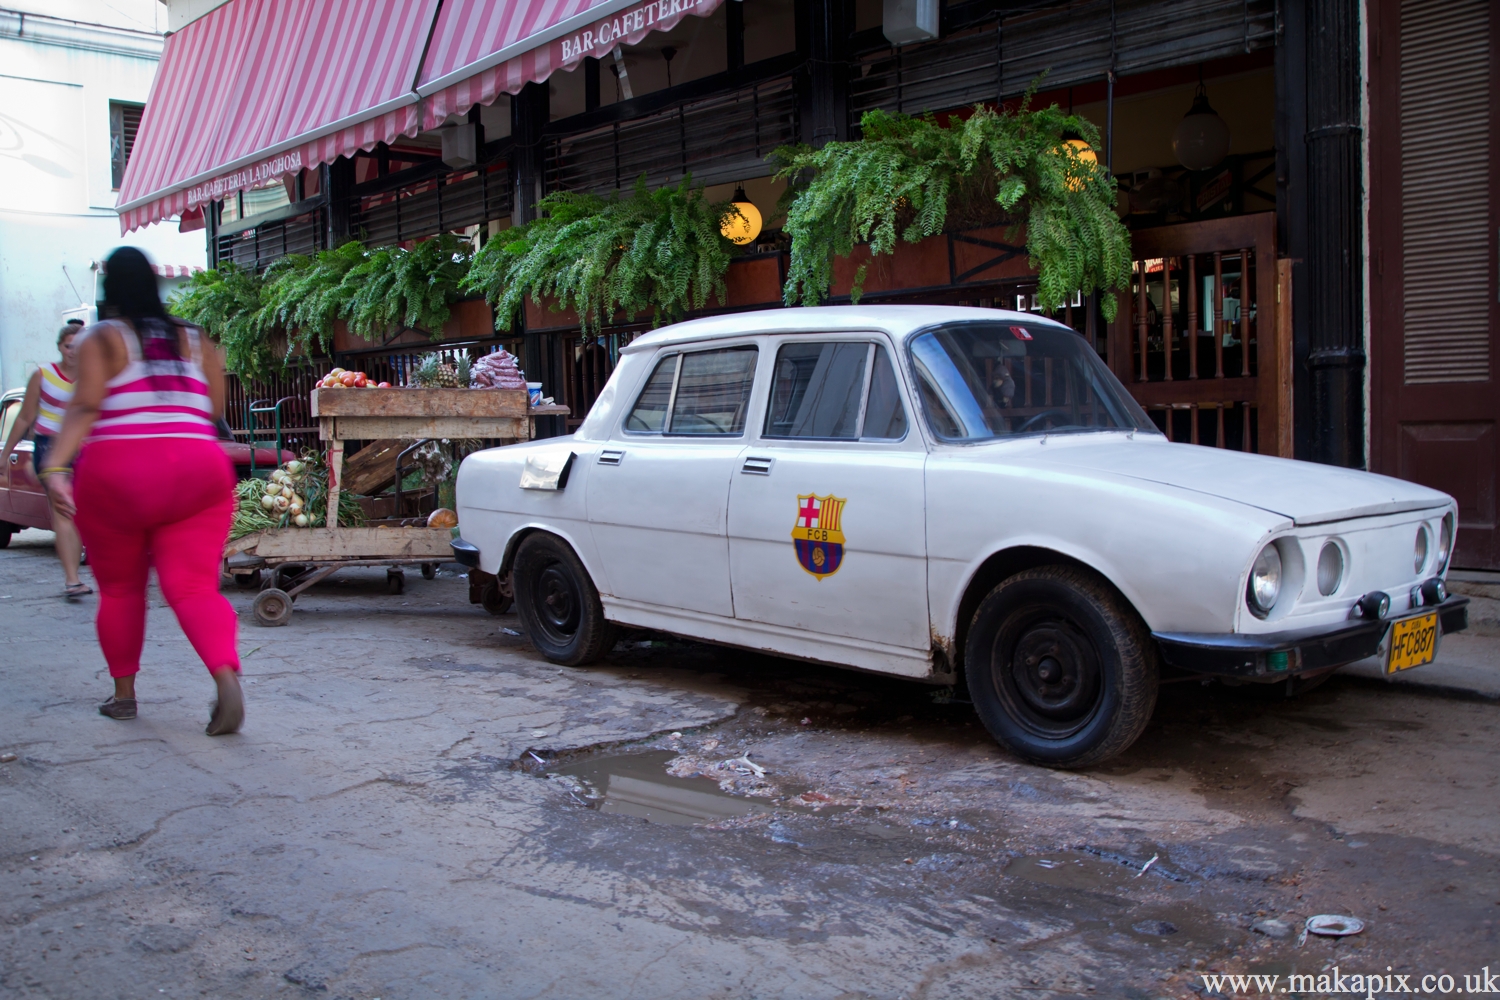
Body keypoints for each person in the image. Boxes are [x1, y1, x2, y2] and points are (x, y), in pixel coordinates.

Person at [41, 247, 245, 735]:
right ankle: (224, 673)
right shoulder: (197, 340)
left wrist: (54, 466)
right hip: (199, 467)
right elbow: (212, 408)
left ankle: (124, 695)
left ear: (111, 289)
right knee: (194, 587)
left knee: (120, 589)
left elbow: (87, 407)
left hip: (121, 471)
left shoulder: (100, 339)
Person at [1, 320, 90, 597]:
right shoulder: (43, 375)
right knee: (64, 510)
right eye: (68, 346)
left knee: (77, 514)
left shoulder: (94, 377)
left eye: (79, 346)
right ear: (60, 347)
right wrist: (5, 454)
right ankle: (72, 579)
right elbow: (26, 416)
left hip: (84, 448)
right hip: (49, 448)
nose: (73, 352)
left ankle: (76, 574)